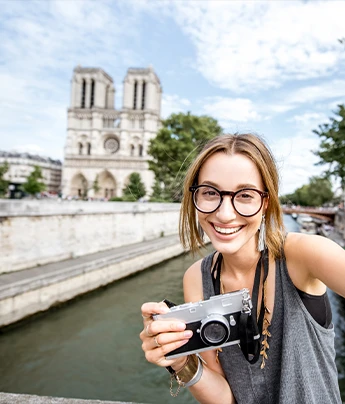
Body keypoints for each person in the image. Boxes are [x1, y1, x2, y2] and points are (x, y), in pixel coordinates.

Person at [140, 133, 345, 404]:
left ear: (265, 203)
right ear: (194, 197)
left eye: (245, 195)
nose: (225, 214)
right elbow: (226, 398)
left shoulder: (305, 254)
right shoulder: (196, 278)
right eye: (211, 193)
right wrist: (180, 361)